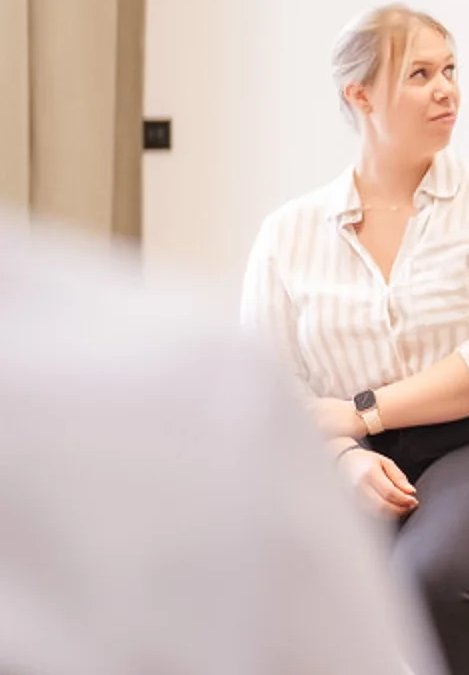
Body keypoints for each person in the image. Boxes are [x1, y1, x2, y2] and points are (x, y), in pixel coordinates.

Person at [241, 4, 469, 675]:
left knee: (431, 579)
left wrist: (360, 412)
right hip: (357, 461)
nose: (446, 90)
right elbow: (268, 384)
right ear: (360, 94)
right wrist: (345, 455)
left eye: (451, 70)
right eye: (420, 73)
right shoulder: (287, 234)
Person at [0, 211, 437, 675]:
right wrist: (344, 451)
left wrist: (358, 414)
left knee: (442, 574)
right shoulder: (280, 247)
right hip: (336, 446)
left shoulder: (192, 375)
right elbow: (287, 381)